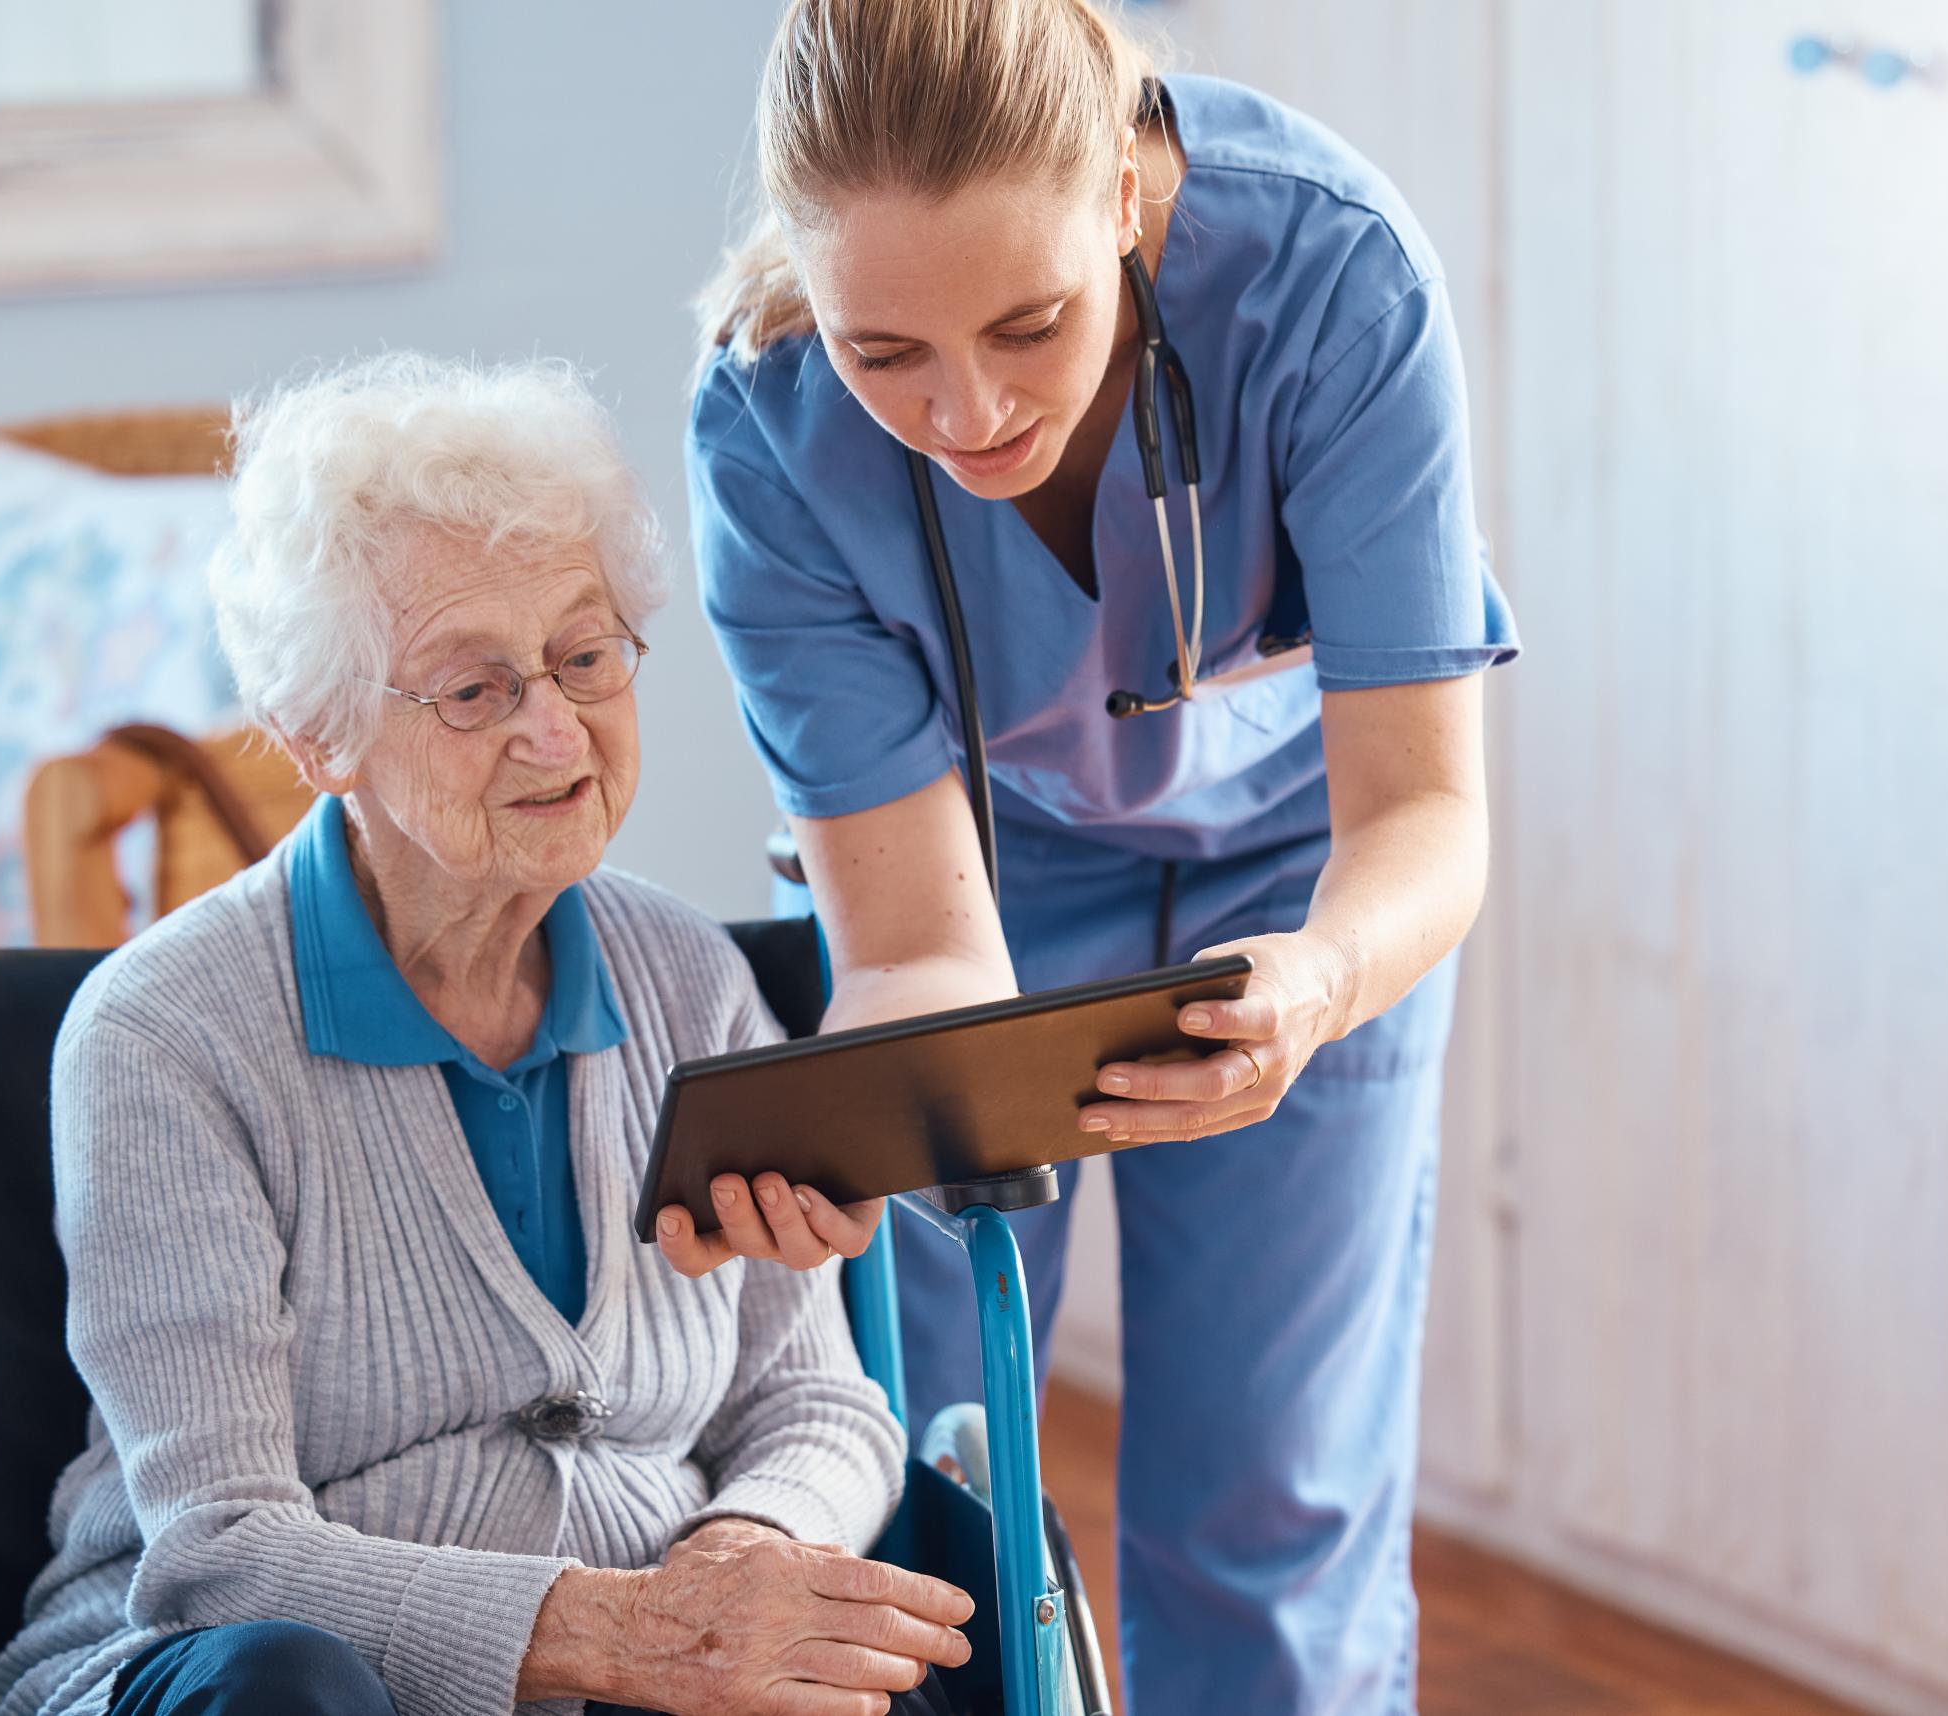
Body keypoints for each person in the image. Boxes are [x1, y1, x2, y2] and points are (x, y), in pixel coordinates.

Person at [670, 4, 1519, 1711]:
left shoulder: (1334, 278)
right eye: (882, 351)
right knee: (911, 1475)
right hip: (964, 886)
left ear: (1128, 193)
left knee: (1274, 1497)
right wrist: (891, 1116)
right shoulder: (765, 428)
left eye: (1030, 322)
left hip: (1298, 890)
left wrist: (1323, 981)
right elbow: (913, 943)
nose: (964, 410)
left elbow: (1424, 815)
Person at [0, 355, 968, 1716]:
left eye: (582, 655)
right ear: (318, 732)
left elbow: (819, 1406)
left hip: (647, 1674)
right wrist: (612, 1631)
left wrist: (738, 1563)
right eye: (474, 690)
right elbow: (216, 1557)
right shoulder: (167, 1038)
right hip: (256, 1676)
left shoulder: (691, 981)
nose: (556, 729)